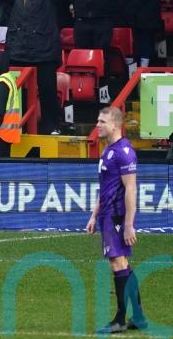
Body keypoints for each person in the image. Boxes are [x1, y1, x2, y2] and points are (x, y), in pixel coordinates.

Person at [0, 0, 64, 134]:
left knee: (48, 92)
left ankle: (52, 126)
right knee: (20, 94)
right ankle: (24, 126)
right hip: (19, 55)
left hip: (45, 56)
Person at [86, 107, 147, 334]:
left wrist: (129, 224)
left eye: (102, 121)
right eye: (97, 120)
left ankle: (121, 319)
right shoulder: (109, 150)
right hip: (107, 215)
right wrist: (94, 215)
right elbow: (106, 187)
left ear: (115, 125)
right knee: (122, 264)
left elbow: (131, 189)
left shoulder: (123, 152)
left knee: (117, 263)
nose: (98, 125)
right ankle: (138, 317)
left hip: (116, 216)